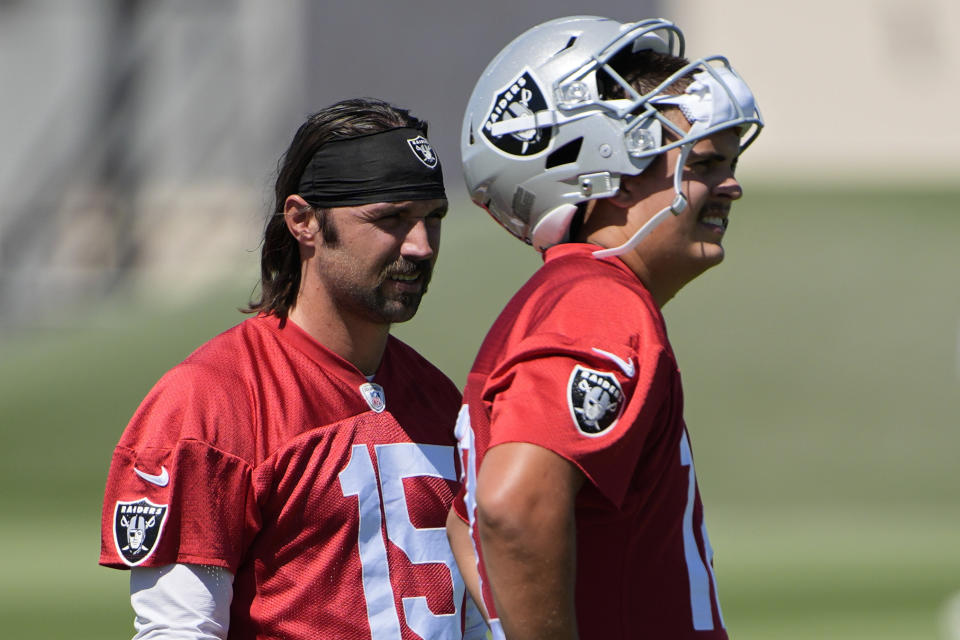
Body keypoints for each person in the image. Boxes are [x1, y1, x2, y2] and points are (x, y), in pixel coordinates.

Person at [100, 98, 485, 640]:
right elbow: (179, 630)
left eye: (433, 218)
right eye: (391, 219)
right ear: (303, 221)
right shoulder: (212, 398)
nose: (421, 246)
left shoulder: (439, 399)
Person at [446, 16, 764, 640]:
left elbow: (468, 524)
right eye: (701, 163)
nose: (731, 185)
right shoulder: (597, 303)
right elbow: (510, 509)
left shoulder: (564, 297)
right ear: (606, 173)